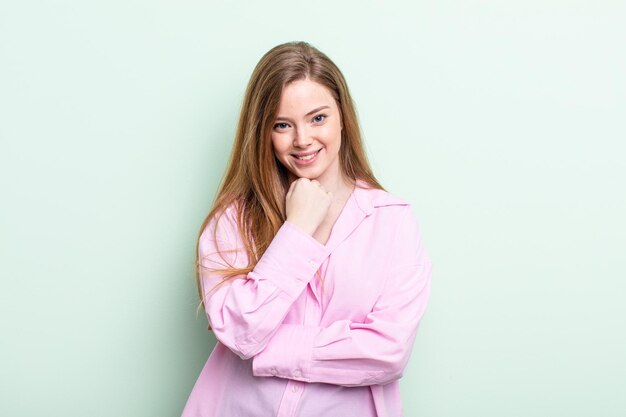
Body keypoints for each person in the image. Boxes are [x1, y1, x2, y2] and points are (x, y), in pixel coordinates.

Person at [181, 41, 433, 417]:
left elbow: (388, 353)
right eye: (282, 125)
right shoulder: (233, 220)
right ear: (263, 132)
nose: (302, 140)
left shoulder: (392, 221)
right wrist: (296, 230)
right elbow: (238, 330)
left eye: (318, 118)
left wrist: (268, 350)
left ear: (343, 116)